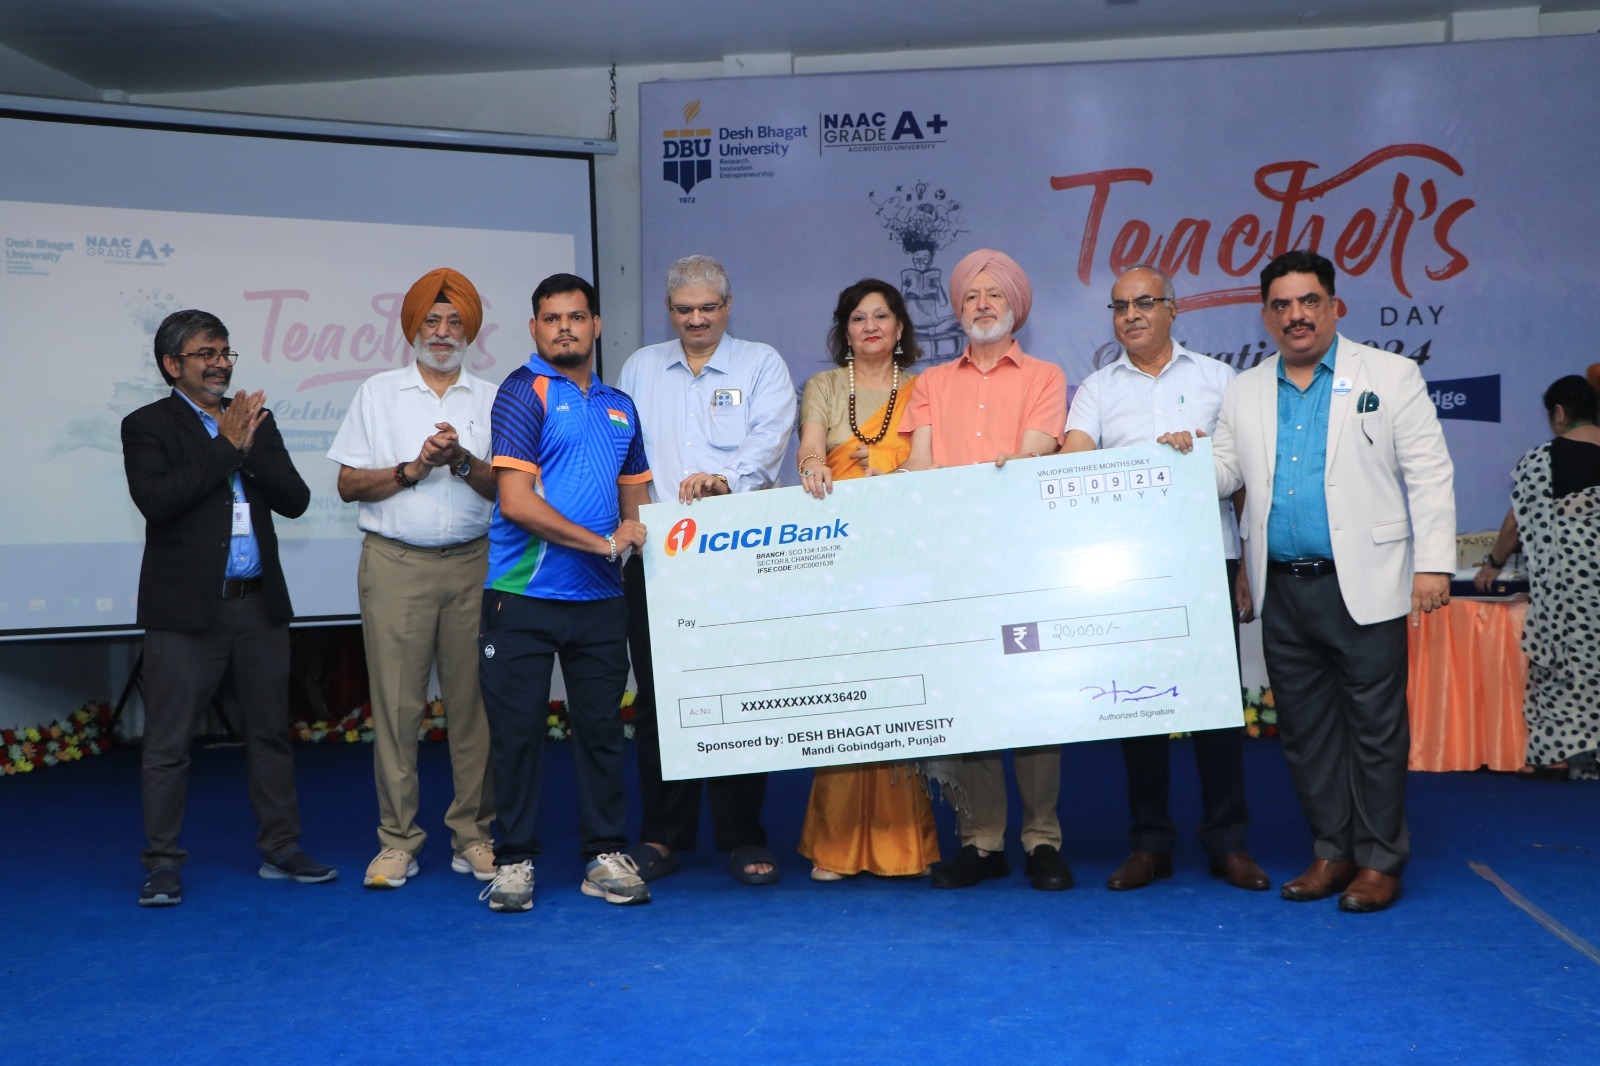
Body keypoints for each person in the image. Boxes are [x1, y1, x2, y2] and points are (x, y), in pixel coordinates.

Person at [1162, 250, 1455, 913]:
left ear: (1333, 306)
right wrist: (1184, 459)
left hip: (1366, 583)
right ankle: (1332, 852)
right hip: (1283, 590)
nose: (1296, 315)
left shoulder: (1390, 374)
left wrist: (1434, 563)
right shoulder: (1245, 389)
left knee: (1375, 731)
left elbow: (1429, 472)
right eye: (1282, 305)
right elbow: (1226, 471)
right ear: (1266, 316)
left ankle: (1379, 861)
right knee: (1305, 733)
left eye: (1309, 301)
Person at [1062, 265, 1269, 893]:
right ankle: (1150, 844)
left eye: (1144, 302)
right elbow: (1072, 461)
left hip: (1209, 558)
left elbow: (1243, 476)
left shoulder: (1217, 379)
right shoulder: (1097, 388)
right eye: (1120, 306)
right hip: (1130, 570)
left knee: (1216, 709)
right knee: (1138, 704)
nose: (1131, 315)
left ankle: (1228, 843)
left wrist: (1247, 565)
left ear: (1173, 309)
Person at [122, 309, 335, 906]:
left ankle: (282, 847)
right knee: (168, 746)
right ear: (172, 365)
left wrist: (248, 442)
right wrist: (226, 446)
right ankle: (162, 863)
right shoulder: (146, 425)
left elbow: (295, 500)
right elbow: (158, 501)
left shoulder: (255, 420)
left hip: (256, 606)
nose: (220, 364)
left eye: (225, 353)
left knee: (270, 736)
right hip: (185, 614)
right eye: (206, 354)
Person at [616, 254, 797, 885]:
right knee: (658, 699)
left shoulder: (761, 364)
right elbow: (625, 458)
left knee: (740, 693)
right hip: (657, 559)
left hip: (737, 558)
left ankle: (743, 836)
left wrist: (726, 481)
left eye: (708, 308)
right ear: (669, 310)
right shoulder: (640, 368)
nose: (696, 319)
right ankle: (662, 835)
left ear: (728, 306)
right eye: (684, 309)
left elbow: (769, 442)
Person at [475, 273, 653, 912]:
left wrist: (633, 531)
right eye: (551, 319)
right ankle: (514, 861)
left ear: (596, 325)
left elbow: (635, 498)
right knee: (518, 736)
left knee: (602, 732)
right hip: (523, 595)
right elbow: (516, 503)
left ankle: (604, 855)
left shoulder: (620, 404)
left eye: (576, 317)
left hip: (600, 600)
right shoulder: (522, 393)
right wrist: (604, 544)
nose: (564, 329)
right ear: (534, 329)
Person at [898, 248, 1073, 892]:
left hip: (1023, 562)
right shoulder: (931, 385)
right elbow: (920, 468)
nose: (981, 305)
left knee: (1029, 702)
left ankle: (1042, 839)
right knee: (968, 700)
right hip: (951, 567)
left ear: (1015, 306)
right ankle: (982, 842)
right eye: (970, 296)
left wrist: (981, 482)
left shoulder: (1046, 377)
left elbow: (1032, 457)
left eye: (994, 294)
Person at [327, 267, 499, 890]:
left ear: (470, 330)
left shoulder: (492, 397)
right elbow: (348, 484)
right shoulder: (378, 393)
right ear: (412, 329)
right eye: (432, 320)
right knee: (398, 709)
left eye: (454, 321)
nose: (443, 332)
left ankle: (474, 835)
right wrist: (413, 469)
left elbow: (507, 488)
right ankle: (397, 841)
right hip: (395, 564)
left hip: (475, 565)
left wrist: (460, 460)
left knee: (474, 708)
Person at [794, 278, 940, 881]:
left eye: (882, 316)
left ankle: (902, 846)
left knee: (898, 693)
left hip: (902, 558)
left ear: (900, 327)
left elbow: (932, 468)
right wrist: (815, 466)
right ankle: (835, 845)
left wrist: (881, 467)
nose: (871, 326)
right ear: (845, 330)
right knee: (845, 692)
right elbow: (810, 450)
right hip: (838, 561)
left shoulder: (927, 389)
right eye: (858, 318)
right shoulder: (826, 387)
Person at [1473, 375, 1600, 780]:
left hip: (1571, 592)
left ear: (1559, 414)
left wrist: (1493, 562)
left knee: (1564, 669)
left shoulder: (1544, 460)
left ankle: (1559, 755)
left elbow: (1516, 523)